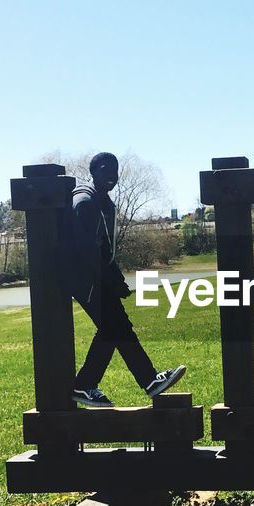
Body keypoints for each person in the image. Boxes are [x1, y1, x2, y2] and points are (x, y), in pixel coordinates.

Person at [65, 152, 185, 407]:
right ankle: (87, 385)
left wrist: (116, 277)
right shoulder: (84, 201)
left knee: (117, 329)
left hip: (98, 276)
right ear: (94, 171)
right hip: (84, 278)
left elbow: (104, 247)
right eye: (106, 170)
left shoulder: (103, 202)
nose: (111, 176)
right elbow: (86, 249)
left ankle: (146, 382)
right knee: (113, 328)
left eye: (115, 172)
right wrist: (108, 278)